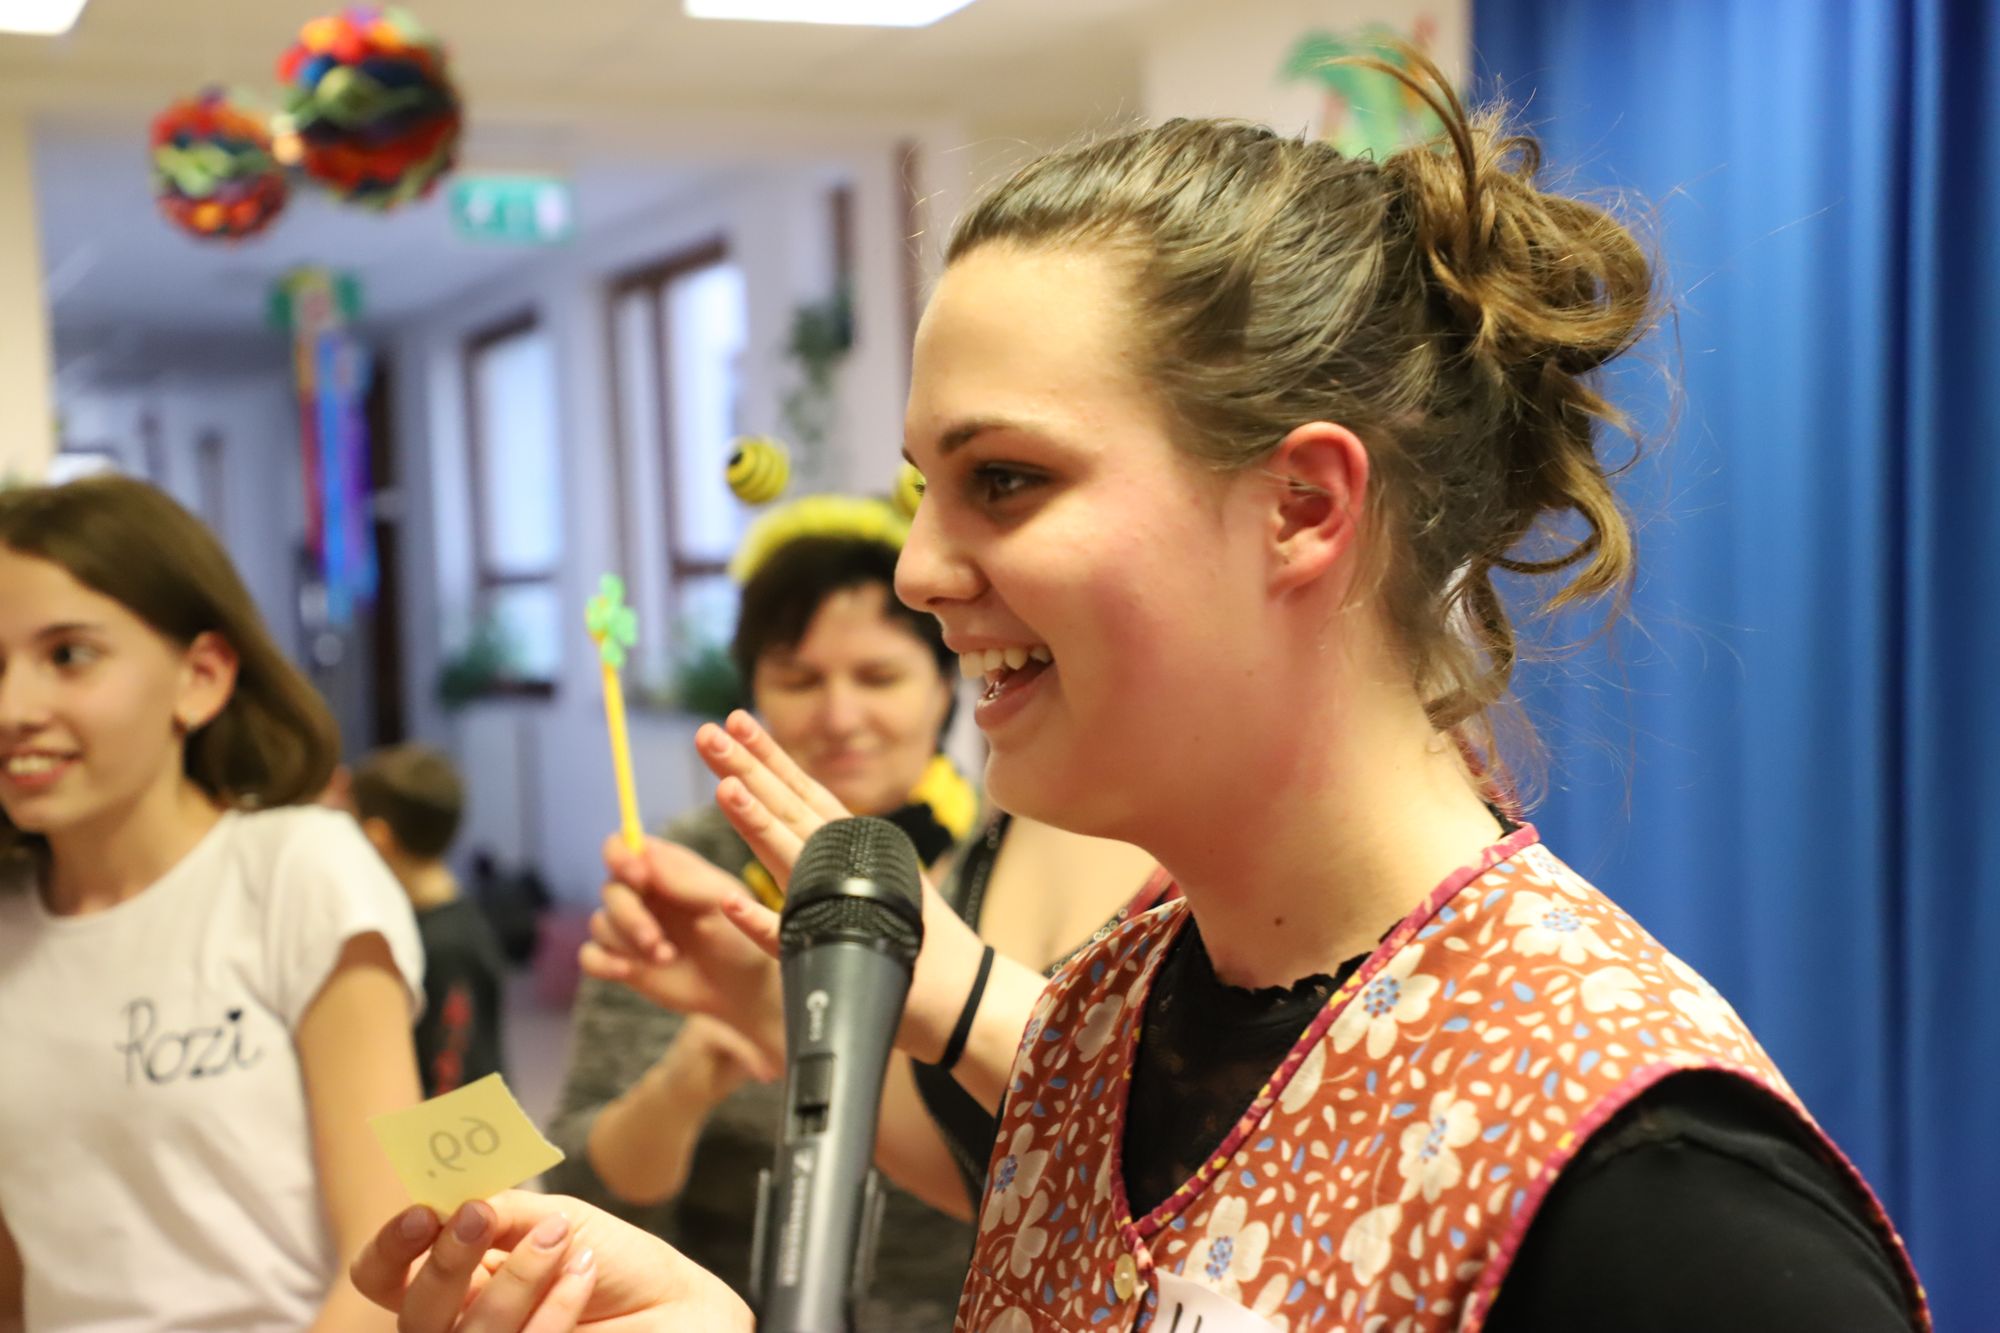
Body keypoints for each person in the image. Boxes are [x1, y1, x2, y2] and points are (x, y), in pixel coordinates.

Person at [355, 56, 1929, 1333]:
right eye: (926, 488)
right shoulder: (1107, 1026)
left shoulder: (1637, 1176)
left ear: (1303, 507)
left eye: (1005, 479)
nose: (921, 570)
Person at [545, 503, 1157, 1327]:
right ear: (755, 690)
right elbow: (582, 1198)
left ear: (945, 682)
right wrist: (688, 1079)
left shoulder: (1014, 852)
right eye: (800, 680)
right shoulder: (692, 880)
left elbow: (1091, 1171)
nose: (838, 717)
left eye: (878, 677)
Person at [0, 476, 424, 1332]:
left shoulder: (298, 870)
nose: (14, 709)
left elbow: (390, 1258)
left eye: (69, 655)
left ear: (201, 677)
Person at [350, 742, 509, 1097]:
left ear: (377, 837)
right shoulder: (436, 923)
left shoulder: (446, 946)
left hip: (460, 1127)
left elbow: (452, 1079)